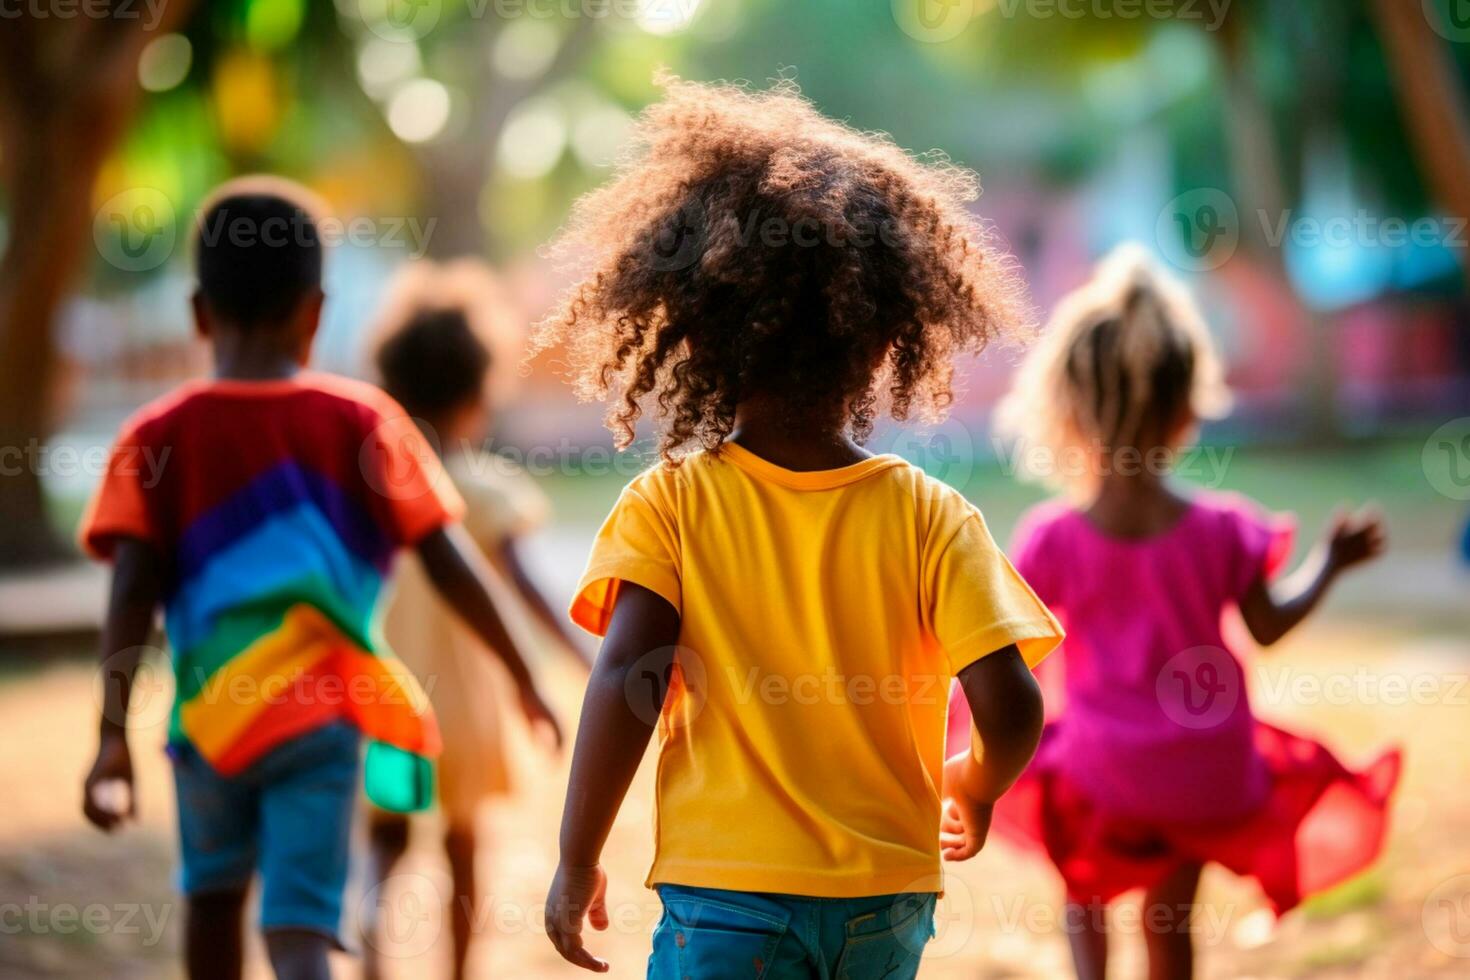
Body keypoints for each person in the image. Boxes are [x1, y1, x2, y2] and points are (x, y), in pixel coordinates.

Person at [537, 75, 1065, 978]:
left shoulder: (670, 506)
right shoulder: (932, 515)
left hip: (725, 901)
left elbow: (629, 678)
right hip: (885, 900)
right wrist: (973, 789)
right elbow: (1012, 706)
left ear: (695, 335)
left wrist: (577, 857)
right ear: (885, 339)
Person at [77, 177, 561, 980]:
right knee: (301, 928)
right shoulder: (363, 423)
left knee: (211, 904)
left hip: (209, 723)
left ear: (200, 314)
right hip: (321, 725)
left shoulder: (155, 436)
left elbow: (130, 594)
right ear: (316, 313)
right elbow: (453, 566)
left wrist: (108, 739)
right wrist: (525, 677)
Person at [959, 243, 1400, 980]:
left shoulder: (1055, 540)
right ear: (1185, 409)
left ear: (1070, 407)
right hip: (1201, 771)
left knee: (1083, 894)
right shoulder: (1225, 529)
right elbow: (1268, 624)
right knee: (1171, 927)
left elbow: (1011, 648)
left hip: (1103, 775)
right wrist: (1328, 564)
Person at [360, 260, 591, 980]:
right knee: (463, 846)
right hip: (462, 708)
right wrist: (583, 661)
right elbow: (527, 589)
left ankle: (369, 944)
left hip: (386, 698)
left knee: (387, 839)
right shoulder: (487, 488)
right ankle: (457, 973)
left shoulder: (376, 480)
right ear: (476, 396)